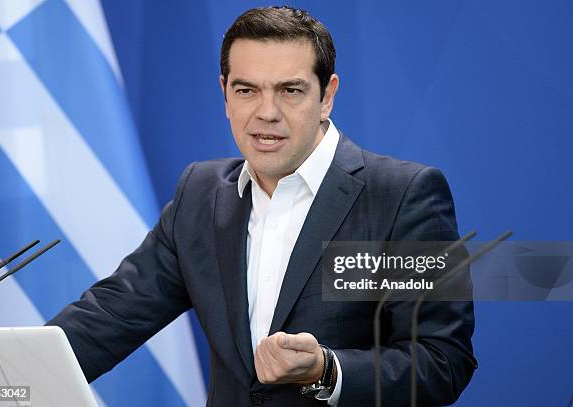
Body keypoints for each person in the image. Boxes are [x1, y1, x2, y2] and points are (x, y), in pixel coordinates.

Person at [48, 6, 476, 406]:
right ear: (225, 94)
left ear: (327, 95)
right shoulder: (200, 194)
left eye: (290, 90)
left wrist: (329, 370)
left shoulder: (400, 196)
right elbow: (109, 318)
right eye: (247, 90)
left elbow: (442, 361)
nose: (266, 112)